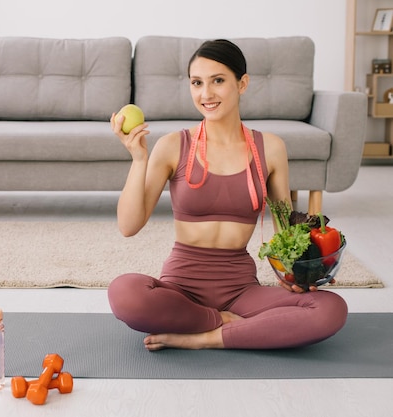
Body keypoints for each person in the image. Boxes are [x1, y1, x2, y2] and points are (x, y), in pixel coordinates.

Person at [107, 39, 348, 351]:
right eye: (197, 83)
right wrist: (138, 159)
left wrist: (306, 271)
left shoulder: (270, 148)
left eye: (218, 81)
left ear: (242, 83)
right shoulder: (172, 146)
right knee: (124, 292)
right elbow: (128, 226)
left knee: (331, 309)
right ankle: (225, 323)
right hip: (181, 289)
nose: (206, 94)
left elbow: (286, 231)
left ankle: (204, 337)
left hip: (241, 291)